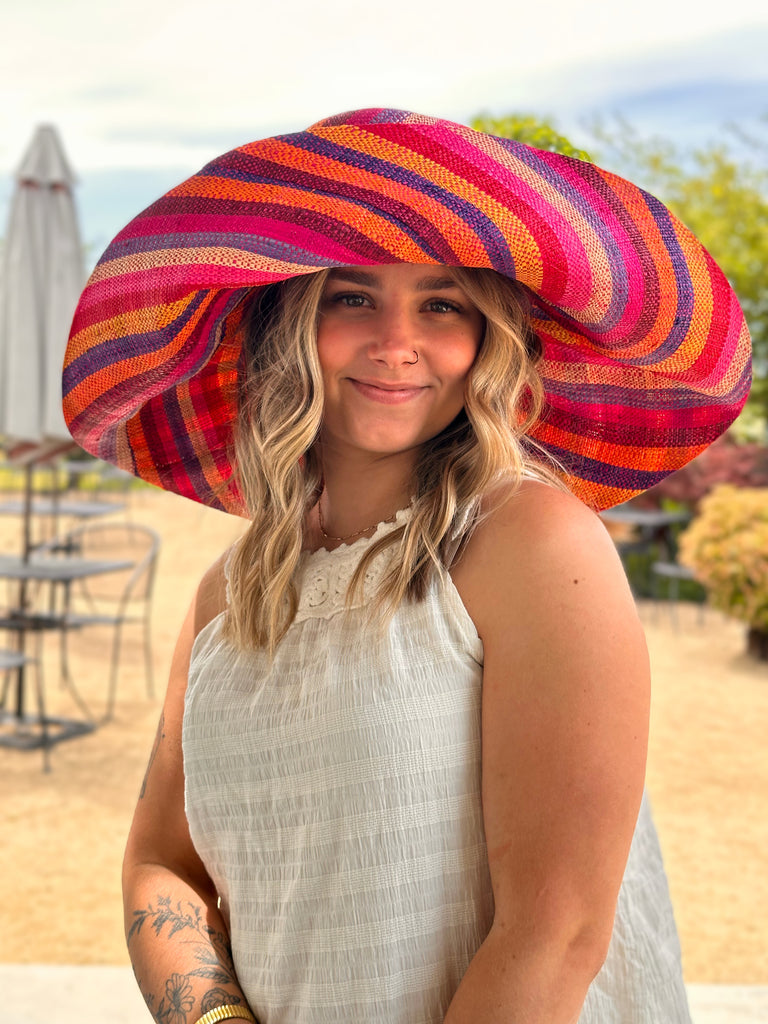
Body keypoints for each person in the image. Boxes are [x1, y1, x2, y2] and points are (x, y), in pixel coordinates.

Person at [63, 109, 751, 1024]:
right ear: (286, 326)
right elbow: (162, 866)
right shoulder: (228, 595)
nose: (398, 341)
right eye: (352, 297)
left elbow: (557, 936)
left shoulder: (530, 542)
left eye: (442, 304)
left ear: (486, 339)